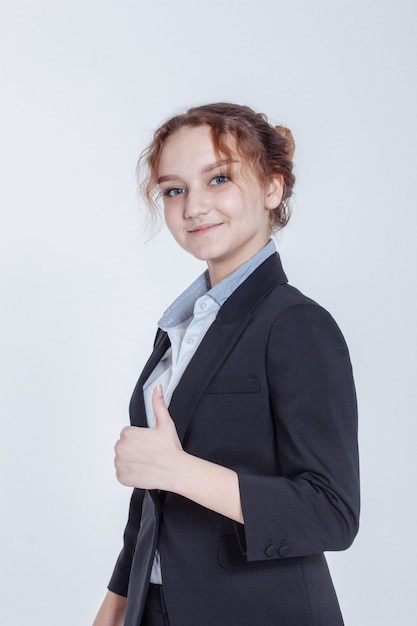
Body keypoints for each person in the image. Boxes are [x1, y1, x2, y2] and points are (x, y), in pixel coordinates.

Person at [93, 103, 360, 626]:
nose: (193, 206)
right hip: (155, 610)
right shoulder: (179, 329)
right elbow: (155, 497)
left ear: (272, 189)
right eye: (174, 190)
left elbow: (333, 513)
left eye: (218, 178)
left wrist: (179, 470)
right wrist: (116, 605)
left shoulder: (297, 324)